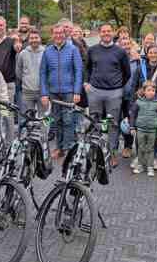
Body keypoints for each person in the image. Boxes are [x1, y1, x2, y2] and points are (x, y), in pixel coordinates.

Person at [85, 23, 131, 167]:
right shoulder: (92, 50)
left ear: (112, 33)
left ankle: (112, 154)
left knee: (113, 124)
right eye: (103, 31)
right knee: (95, 122)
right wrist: (87, 83)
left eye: (108, 31)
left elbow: (127, 72)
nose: (106, 33)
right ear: (100, 33)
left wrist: (117, 85)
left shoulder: (120, 51)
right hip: (95, 91)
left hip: (114, 93)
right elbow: (87, 68)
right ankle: (94, 151)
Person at [40, 24, 82, 160]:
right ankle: (58, 147)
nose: (58, 36)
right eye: (55, 33)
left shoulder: (73, 50)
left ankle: (68, 147)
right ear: (52, 35)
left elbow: (78, 71)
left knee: (69, 120)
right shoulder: (47, 51)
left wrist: (77, 91)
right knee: (56, 120)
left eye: (61, 33)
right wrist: (44, 93)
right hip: (53, 92)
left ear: (65, 34)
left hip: (69, 91)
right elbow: (42, 73)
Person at [129, 80, 157, 177]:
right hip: (140, 130)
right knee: (140, 148)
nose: (151, 92)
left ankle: (150, 167)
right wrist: (132, 127)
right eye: (149, 90)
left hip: (152, 131)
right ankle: (140, 166)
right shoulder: (138, 102)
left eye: (153, 90)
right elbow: (133, 114)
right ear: (144, 91)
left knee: (150, 149)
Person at [119, 36, 141, 159]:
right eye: (124, 44)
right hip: (117, 95)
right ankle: (115, 148)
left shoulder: (137, 60)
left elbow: (141, 77)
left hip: (131, 96)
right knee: (117, 121)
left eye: (128, 44)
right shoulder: (116, 59)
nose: (126, 46)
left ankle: (129, 146)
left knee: (130, 120)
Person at [16, 28, 45, 114]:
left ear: (40, 39)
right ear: (28, 40)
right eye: (32, 38)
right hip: (27, 92)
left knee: (44, 118)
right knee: (27, 118)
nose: (34, 40)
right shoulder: (23, 54)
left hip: (42, 91)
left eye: (36, 37)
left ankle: (43, 128)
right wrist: (26, 80)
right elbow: (18, 71)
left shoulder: (45, 52)